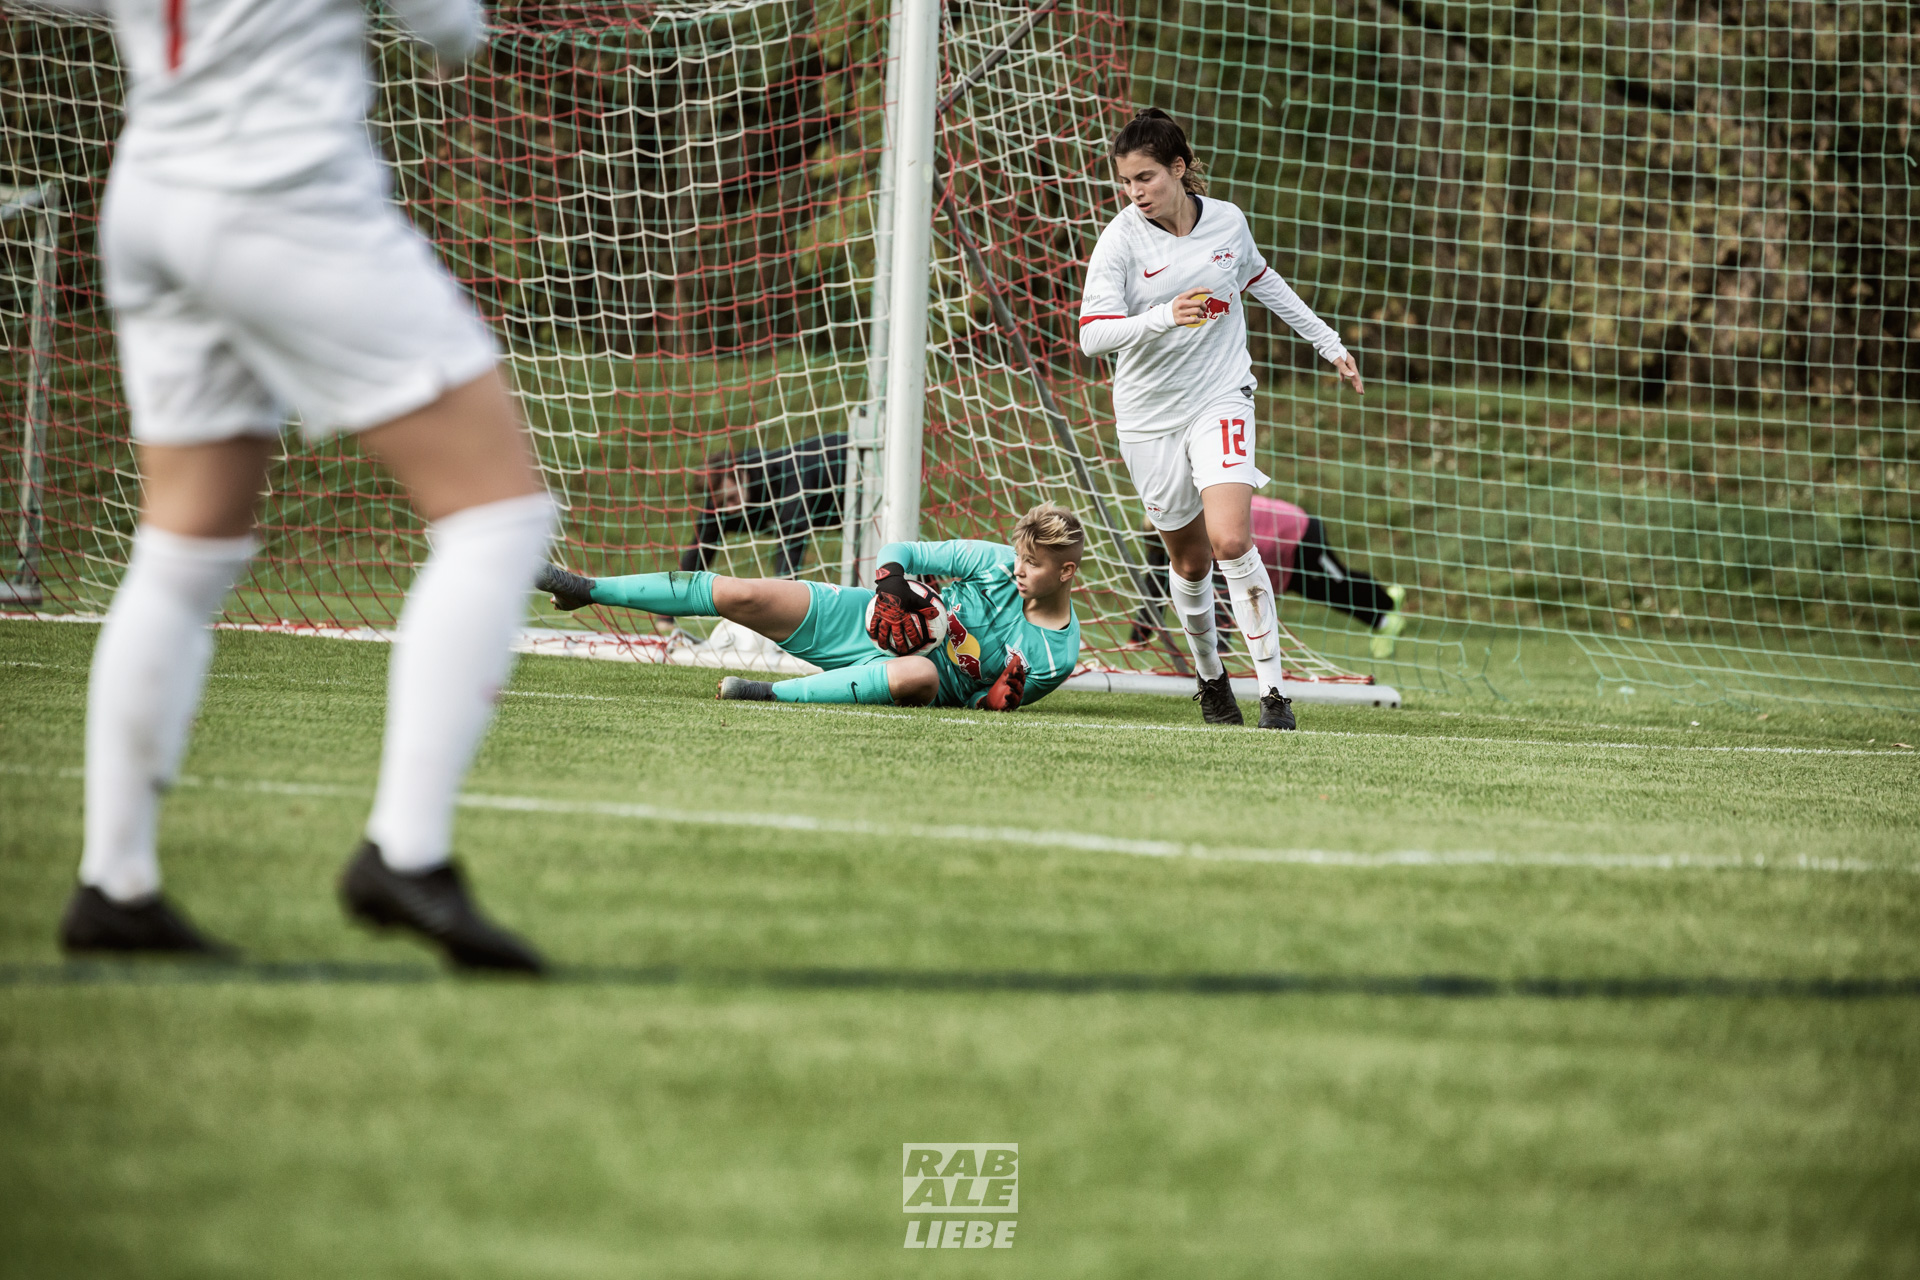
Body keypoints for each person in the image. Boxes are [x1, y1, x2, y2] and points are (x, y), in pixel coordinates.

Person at [41, 0, 555, 971]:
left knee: (185, 550)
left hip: (152, 192)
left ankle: (116, 884)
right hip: (280, 192)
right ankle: (407, 852)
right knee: (500, 515)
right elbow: (445, 22)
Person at [1080, 108, 1364, 730]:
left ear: (1179, 169)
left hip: (1221, 396)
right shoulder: (1122, 239)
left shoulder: (1228, 222)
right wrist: (1163, 316)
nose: (1136, 193)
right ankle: (1211, 681)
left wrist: (1329, 343)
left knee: (1232, 541)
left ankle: (1274, 696)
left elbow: (1263, 280)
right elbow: (1092, 338)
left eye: (1147, 178)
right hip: (1148, 417)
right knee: (1189, 563)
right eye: (1126, 182)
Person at [538, 503, 1085, 712]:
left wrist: (990, 704)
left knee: (918, 670)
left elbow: (980, 708)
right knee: (740, 593)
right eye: (1018, 557)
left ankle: (766, 693)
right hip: (863, 620)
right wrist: (891, 581)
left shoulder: (1055, 654)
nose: (1018, 569)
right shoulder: (993, 562)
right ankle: (585, 588)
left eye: (1032, 564)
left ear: (1066, 572)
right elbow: (905, 550)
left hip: (911, 677)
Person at [1130, 497, 1407, 659]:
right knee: (1322, 593)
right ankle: (1383, 616)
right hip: (1274, 555)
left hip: (1296, 534)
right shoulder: (1179, 538)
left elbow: (1220, 598)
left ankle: (1385, 611)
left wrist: (1218, 653)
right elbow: (1157, 580)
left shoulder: (1199, 528)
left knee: (1337, 584)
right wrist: (1137, 638)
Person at [679, 431, 847, 578]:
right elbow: (699, 551)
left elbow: (792, 541)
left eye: (733, 498)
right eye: (722, 503)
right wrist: (670, 607)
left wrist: (782, 600)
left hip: (849, 469)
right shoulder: (720, 500)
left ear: (742, 476)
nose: (729, 508)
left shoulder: (781, 477)